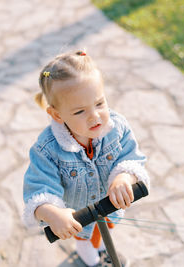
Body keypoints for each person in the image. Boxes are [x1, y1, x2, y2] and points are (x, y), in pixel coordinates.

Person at [22, 50, 150, 267]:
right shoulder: (47, 150)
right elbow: (38, 190)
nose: (95, 116)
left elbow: (131, 157)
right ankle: (90, 259)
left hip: (109, 204)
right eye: (80, 111)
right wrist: (53, 214)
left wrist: (123, 178)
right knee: (85, 237)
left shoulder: (117, 128)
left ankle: (99, 248)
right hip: (79, 215)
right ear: (57, 115)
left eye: (100, 103)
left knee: (105, 229)